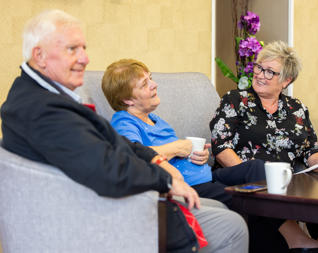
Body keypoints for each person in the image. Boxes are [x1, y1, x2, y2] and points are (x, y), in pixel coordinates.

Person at [0, 9, 249, 253]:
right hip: (105, 215)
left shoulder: (35, 95)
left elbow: (114, 142)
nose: (85, 58)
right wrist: (164, 179)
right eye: (72, 49)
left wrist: (155, 157)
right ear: (40, 56)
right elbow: (106, 167)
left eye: (84, 48)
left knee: (222, 208)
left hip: (105, 200)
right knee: (233, 226)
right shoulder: (45, 110)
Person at [210, 40, 318, 253]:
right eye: (259, 67)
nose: (259, 75)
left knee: (316, 185)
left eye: (269, 72)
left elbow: (310, 148)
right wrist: (252, 178)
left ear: (286, 80)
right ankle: (298, 241)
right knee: (261, 173)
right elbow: (221, 146)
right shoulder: (235, 100)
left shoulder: (297, 109)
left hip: (285, 182)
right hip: (244, 178)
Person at [100, 58, 266, 208]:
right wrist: (178, 147)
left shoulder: (155, 119)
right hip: (190, 186)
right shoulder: (123, 121)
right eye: (144, 84)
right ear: (127, 100)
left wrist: (195, 155)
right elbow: (133, 156)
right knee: (251, 199)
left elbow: (176, 152)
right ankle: (282, 236)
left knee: (256, 168)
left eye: (150, 78)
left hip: (207, 175)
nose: (154, 84)